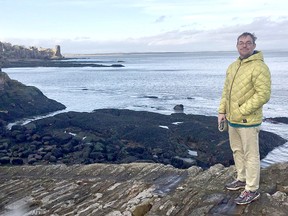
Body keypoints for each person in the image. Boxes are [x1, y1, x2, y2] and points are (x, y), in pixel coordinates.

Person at [218, 32, 271, 205]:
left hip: (248, 121)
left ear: (254, 46)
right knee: (237, 151)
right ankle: (241, 178)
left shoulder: (259, 67)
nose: (244, 45)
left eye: (248, 43)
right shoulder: (233, 66)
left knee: (251, 155)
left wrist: (241, 111)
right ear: (237, 45)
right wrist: (222, 112)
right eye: (241, 43)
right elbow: (226, 92)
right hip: (232, 120)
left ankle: (252, 189)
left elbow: (263, 95)